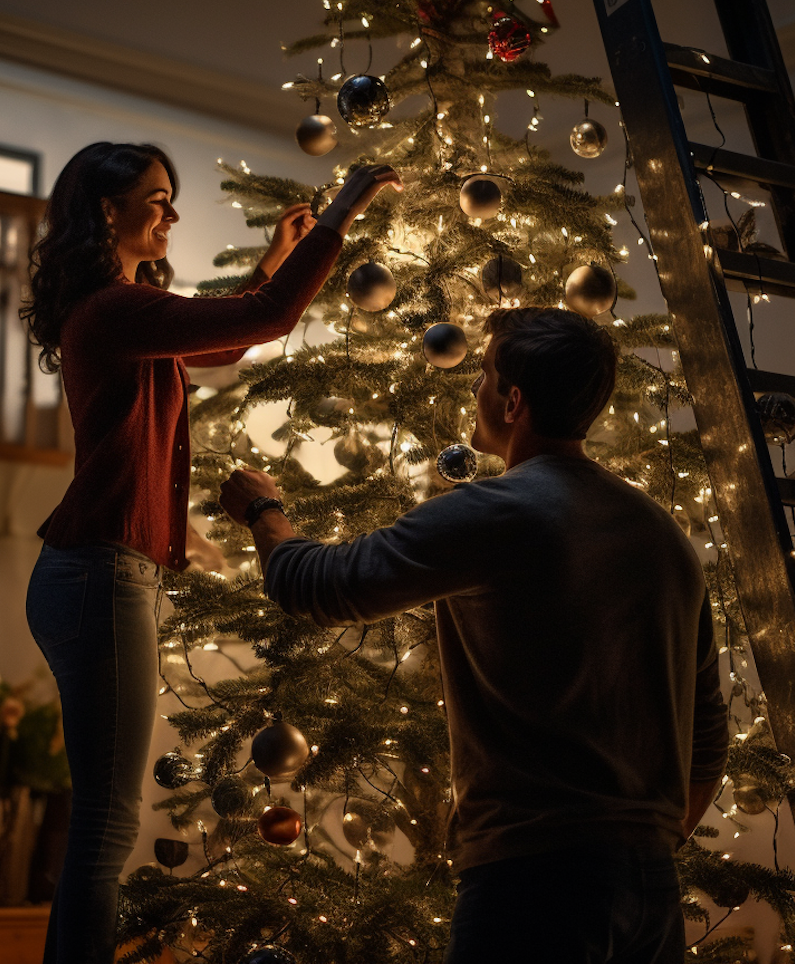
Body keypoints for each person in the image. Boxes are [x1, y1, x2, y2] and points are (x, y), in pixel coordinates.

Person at [220, 306, 728, 964]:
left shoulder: (498, 513)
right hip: (650, 891)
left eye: (485, 373)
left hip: (532, 887)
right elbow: (708, 734)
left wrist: (264, 510)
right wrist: (641, 845)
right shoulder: (664, 536)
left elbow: (316, 584)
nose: (475, 388)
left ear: (514, 401)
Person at [21, 141, 401, 964]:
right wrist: (339, 220)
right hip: (96, 572)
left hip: (93, 573)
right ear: (106, 212)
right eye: (157, 199)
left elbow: (224, 346)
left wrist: (279, 254)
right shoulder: (114, 310)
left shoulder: (121, 311)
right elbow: (266, 319)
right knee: (106, 823)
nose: (172, 214)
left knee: (102, 818)